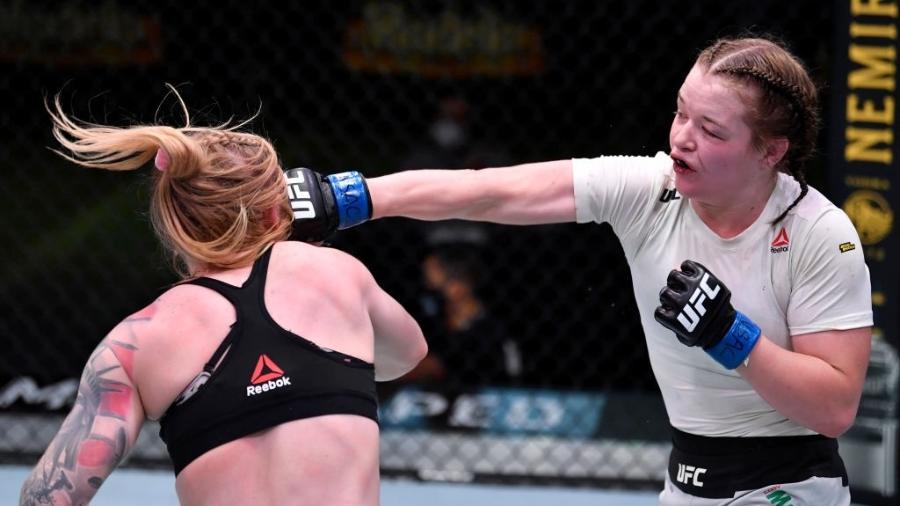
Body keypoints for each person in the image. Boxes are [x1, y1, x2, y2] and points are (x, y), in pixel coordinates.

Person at [288, 35, 873, 505]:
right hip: (686, 483)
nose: (680, 140)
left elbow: (834, 407)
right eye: (680, 113)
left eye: (711, 130)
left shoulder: (819, 234)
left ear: (770, 152)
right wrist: (355, 197)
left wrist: (729, 333)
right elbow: (492, 192)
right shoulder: (650, 189)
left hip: (790, 489)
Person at [19, 92, 427, 506]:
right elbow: (408, 355)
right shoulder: (333, 272)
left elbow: (46, 499)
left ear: (172, 223)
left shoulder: (134, 343)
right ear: (275, 211)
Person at [403, 228, 522, 386]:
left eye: (435, 283)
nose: (429, 288)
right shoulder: (431, 318)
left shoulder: (493, 330)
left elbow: (433, 366)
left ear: (457, 285)